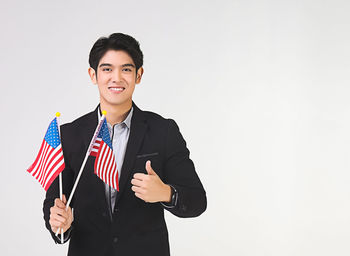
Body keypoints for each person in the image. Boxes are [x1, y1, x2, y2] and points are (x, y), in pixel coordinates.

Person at [43, 33, 207, 256]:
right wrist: (61, 224)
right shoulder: (70, 135)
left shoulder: (163, 131)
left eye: (126, 69)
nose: (116, 78)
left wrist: (166, 193)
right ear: (93, 75)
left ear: (139, 75)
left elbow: (197, 200)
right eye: (107, 69)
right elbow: (55, 203)